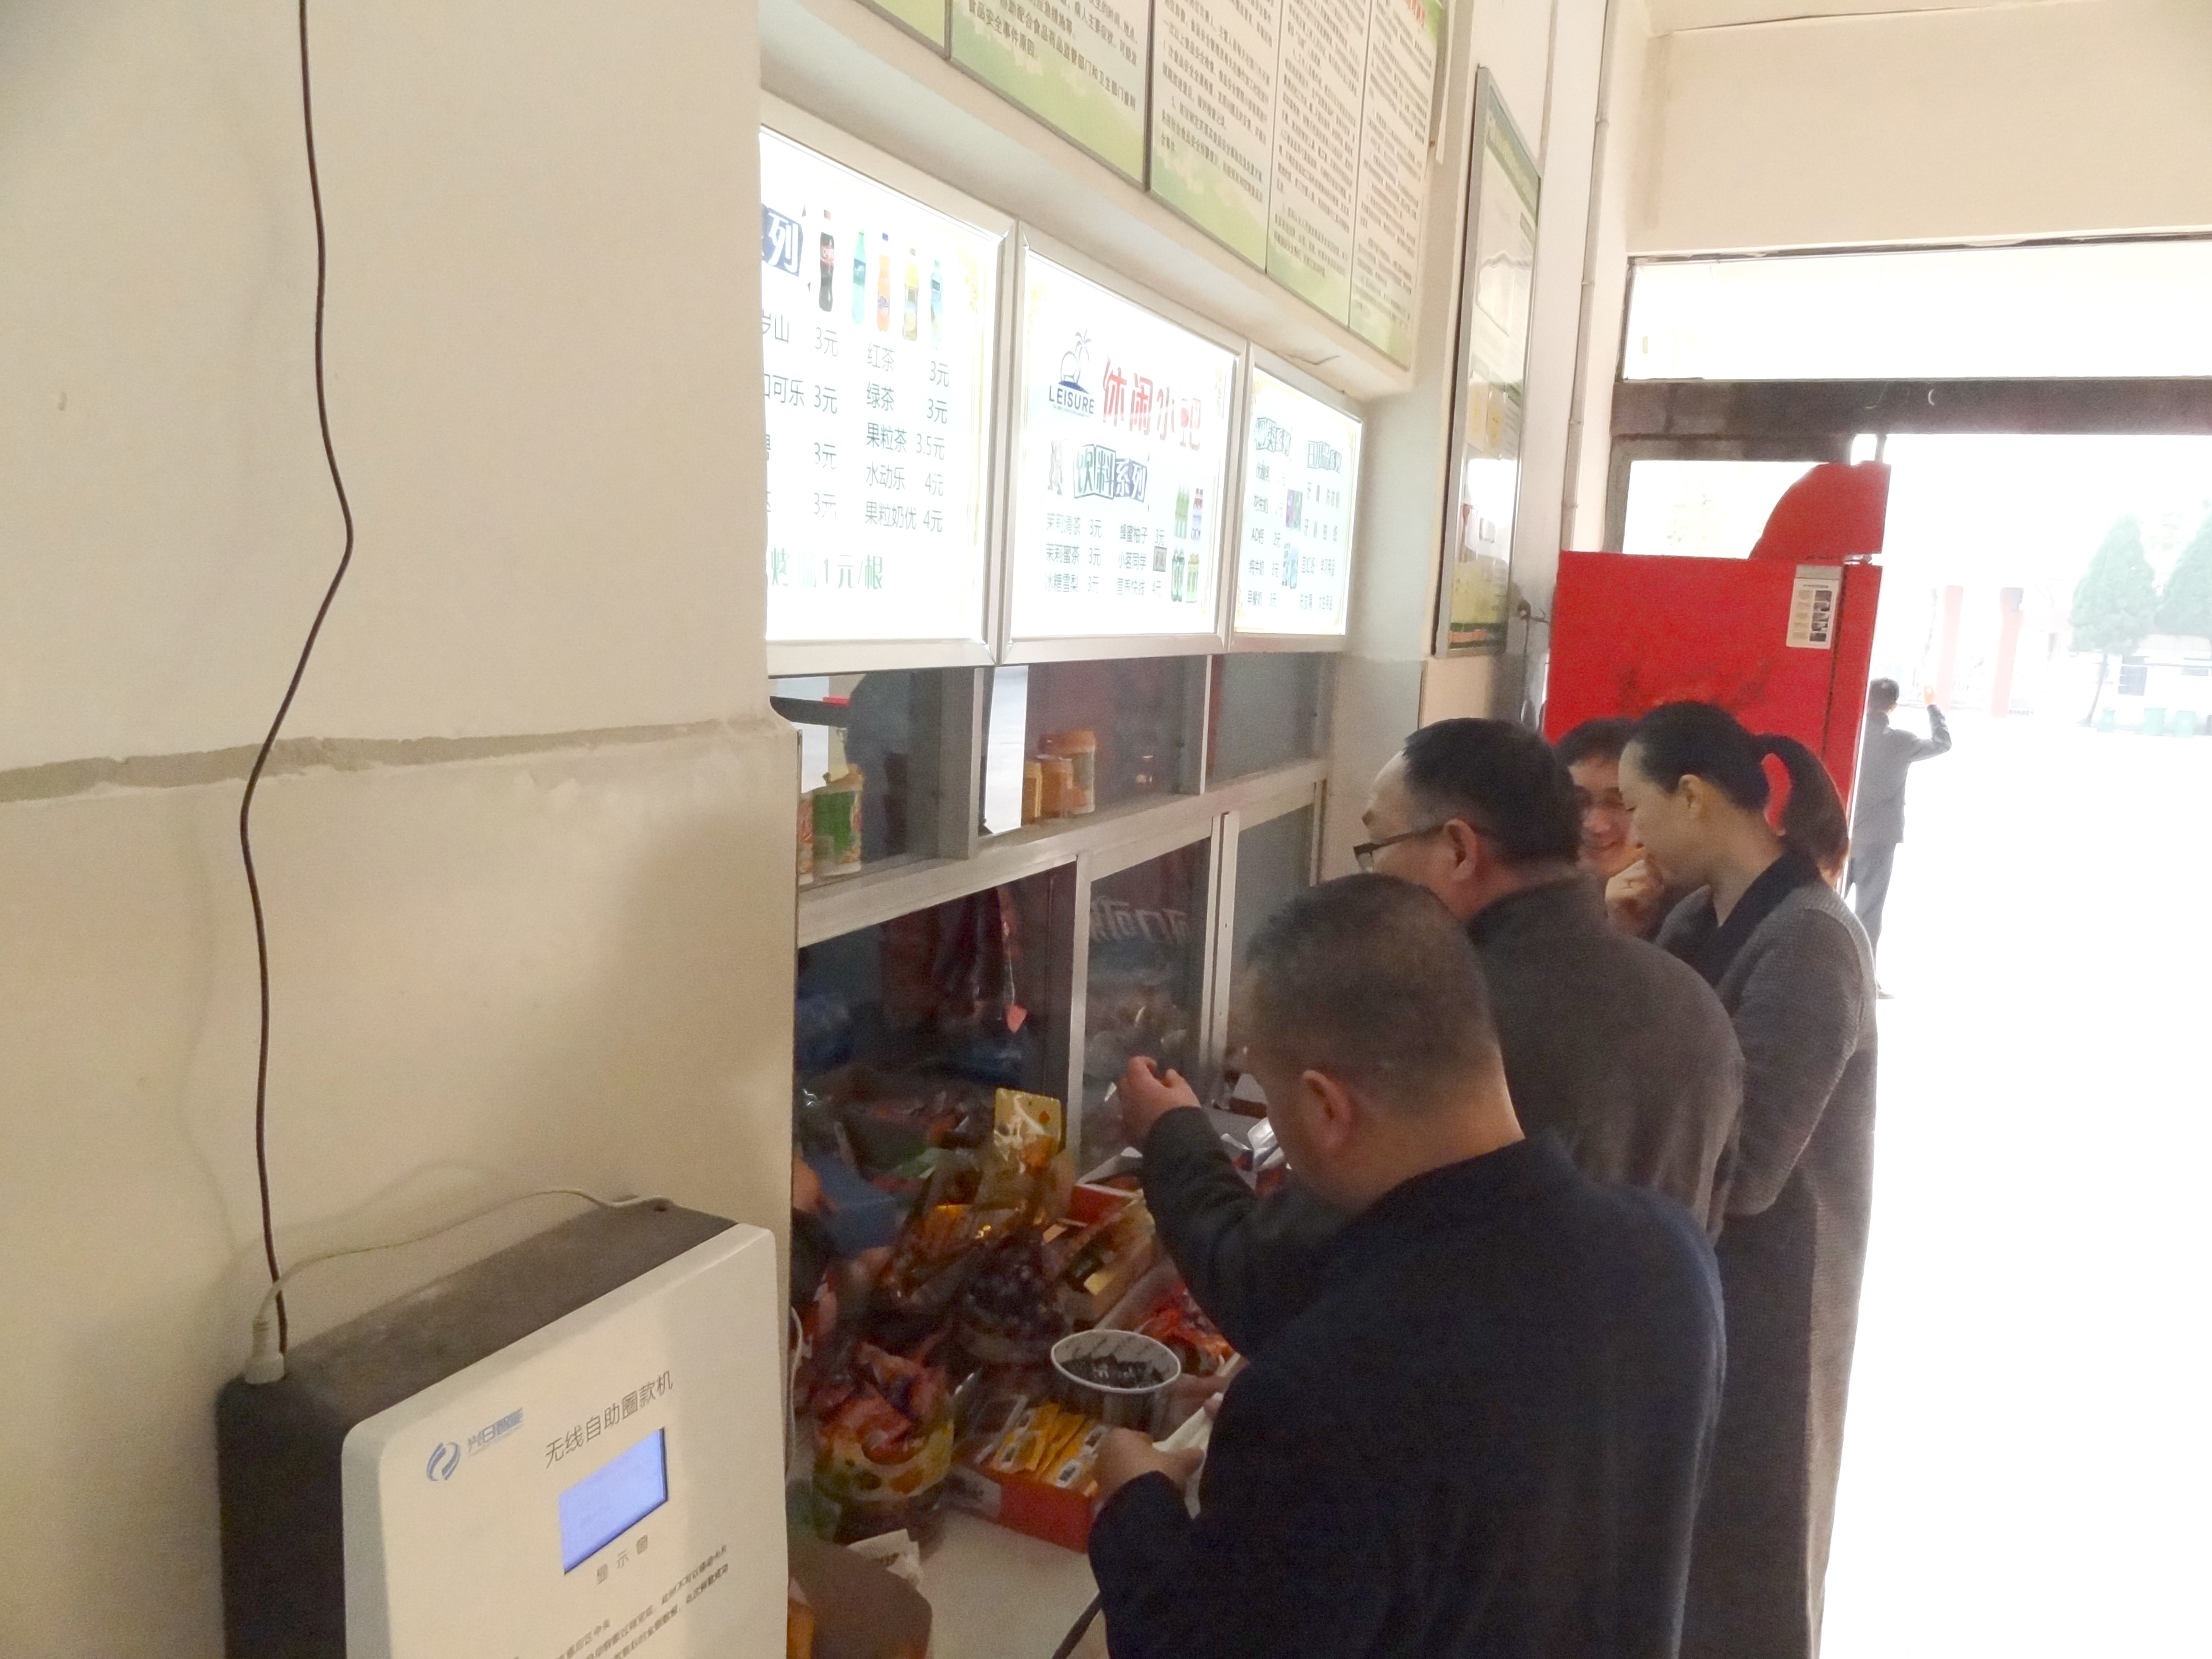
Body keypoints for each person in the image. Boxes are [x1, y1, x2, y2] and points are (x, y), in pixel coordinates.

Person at [1088, 875, 1725, 1659]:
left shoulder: (1323, 1394)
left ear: (1325, 1108)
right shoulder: (1670, 1254)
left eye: (1268, 1091)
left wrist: (1135, 1499)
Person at [1124, 718, 1742, 1354]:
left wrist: (1173, 1135)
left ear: (1459, 850)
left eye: (1378, 846)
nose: (1373, 874)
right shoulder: (1696, 1006)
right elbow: (1712, 1221)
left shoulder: (1441, 1027)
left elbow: (1266, 1284)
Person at [1616, 702, 1878, 1659]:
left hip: (1774, 1290)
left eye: (1635, 806)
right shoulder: (1695, 917)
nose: (1630, 833)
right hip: (1692, 1269)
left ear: (1690, 797)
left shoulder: (1810, 939)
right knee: (1676, 1548)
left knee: (1753, 1544)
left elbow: (1754, 1163)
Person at [1847, 678, 1952, 959]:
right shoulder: (1903, 742)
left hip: (1840, 834)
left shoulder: (1849, 735)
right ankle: (1865, 974)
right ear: (1894, 707)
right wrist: (1932, 707)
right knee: (1869, 912)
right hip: (1880, 840)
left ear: (1865, 701)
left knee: (1827, 903)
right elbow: (1943, 743)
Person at [1557, 715, 1674, 937]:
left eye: (1618, 802)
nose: (1596, 825)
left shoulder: (1691, 919)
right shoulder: (1533, 911)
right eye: (1579, 801)